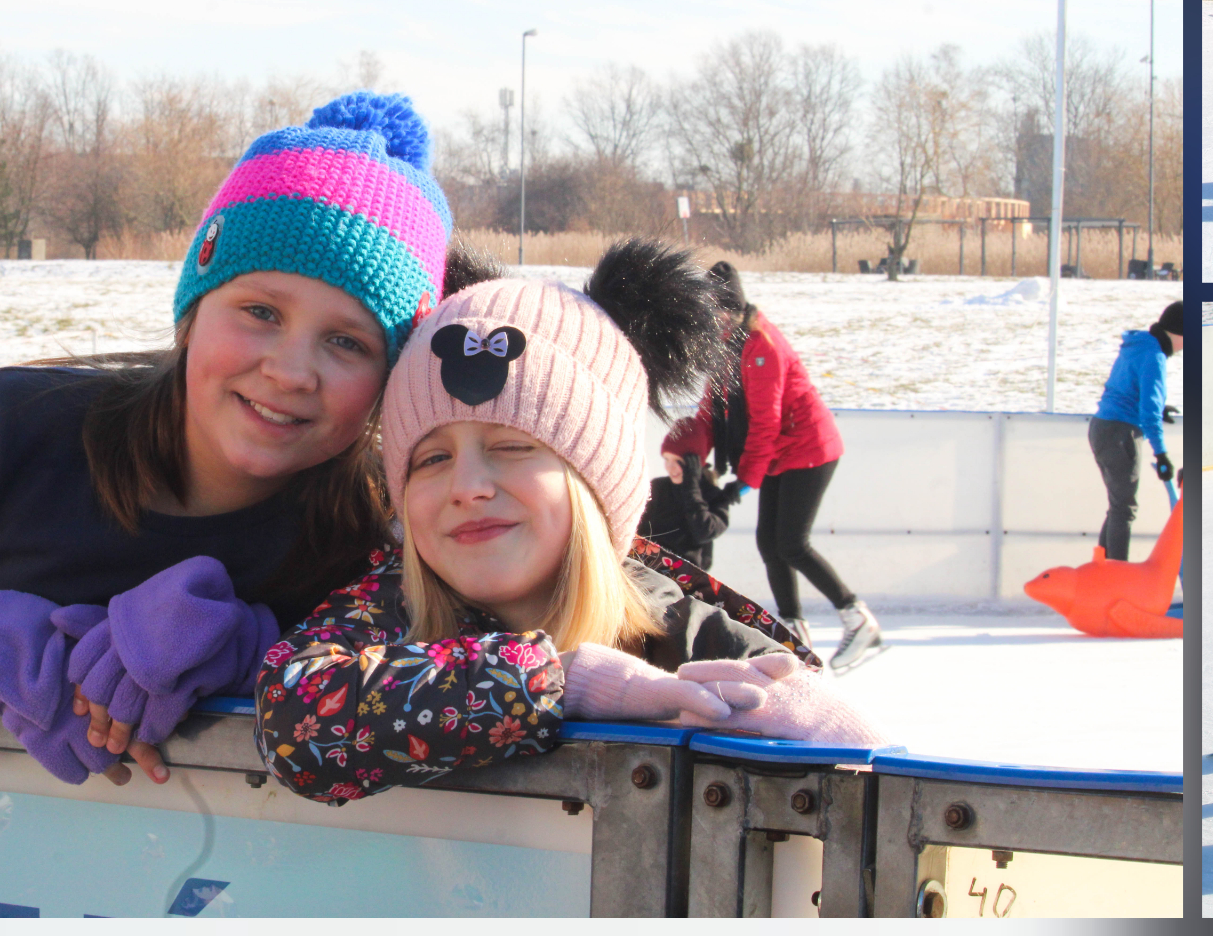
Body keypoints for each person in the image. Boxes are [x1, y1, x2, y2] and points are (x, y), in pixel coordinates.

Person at [0, 93, 452, 788]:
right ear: (192, 312)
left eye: (346, 341)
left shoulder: (382, 539)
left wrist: (255, 650)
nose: (292, 371)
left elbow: (426, 685)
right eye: (261, 311)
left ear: (389, 379)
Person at [255, 241, 883, 802]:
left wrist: (806, 717)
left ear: (596, 482)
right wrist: (561, 684)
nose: (467, 487)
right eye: (431, 459)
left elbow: (862, 781)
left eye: (513, 447)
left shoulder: (684, 633)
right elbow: (293, 719)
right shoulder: (391, 612)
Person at [665, 269, 882, 670]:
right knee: (770, 543)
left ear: (730, 310)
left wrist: (743, 485)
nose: (708, 322)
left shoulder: (762, 348)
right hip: (781, 453)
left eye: (713, 313)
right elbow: (710, 412)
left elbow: (765, 425)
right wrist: (687, 452)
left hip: (809, 448)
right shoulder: (726, 347)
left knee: (791, 542)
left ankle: (857, 618)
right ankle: (796, 636)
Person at [1090, 300, 1181, 566]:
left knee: (1118, 507)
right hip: (1120, 434)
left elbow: (1125, 387)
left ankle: (1104, 570)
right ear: (1179, 332)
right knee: (1124, 510)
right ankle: (1116, 575)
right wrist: (1161, 453)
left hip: (1102, 427)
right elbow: (1148, 412)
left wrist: (1157, 406)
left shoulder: (1139, 346)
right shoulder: (1154, 356)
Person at [637, 448, 731, 570]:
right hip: (648, 566)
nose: (670, 467)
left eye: (678, 461)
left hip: (687, 574)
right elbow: (637, 529)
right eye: (666, 459)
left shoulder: (713, 495)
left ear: (696, 464)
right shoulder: (658, 487)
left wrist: (691, 488)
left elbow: (704, 532)